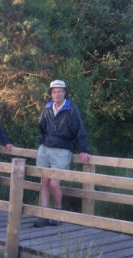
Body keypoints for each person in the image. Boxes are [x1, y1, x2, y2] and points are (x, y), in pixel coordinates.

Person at [34, 80, 91, 227]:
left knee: (54, 183)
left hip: (63, 149)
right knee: (44, 182)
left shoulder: (71, 108)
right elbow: (41, 126)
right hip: (45, 148)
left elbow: (80, 129)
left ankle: (57, 214)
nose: (57, 94)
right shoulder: (47, 108)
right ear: (51, 93)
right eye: (54, 91)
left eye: (60, 91)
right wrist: (43, 141)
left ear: (65, 92)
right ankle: (43, 215)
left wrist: (84, 150)